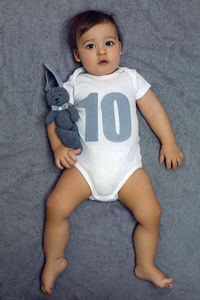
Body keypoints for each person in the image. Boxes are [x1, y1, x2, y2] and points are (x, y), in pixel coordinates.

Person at [41, 10, 184, 295]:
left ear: (120, 48)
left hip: (127, 171)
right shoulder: (75, 83)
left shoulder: (130, 78)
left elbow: (153, 109)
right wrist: (58, 146)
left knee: (151, 213)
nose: (101, 51)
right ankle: (54, 259)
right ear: (78, 55)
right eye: (90, 46)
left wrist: (169, 141)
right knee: (55, 207)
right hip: (84, 168)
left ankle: (145, 264)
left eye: (109, 43)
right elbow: (55, 116)